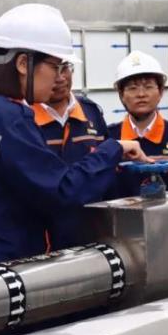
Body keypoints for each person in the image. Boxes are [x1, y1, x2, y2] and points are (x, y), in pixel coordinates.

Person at [0, 4, 149, 272]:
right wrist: (112, 148)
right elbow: (62, 191)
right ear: (23, 64)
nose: (59, 77)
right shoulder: (6, 118)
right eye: (55, 66)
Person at [32, 59, 110, 249]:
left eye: (65, 68)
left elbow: (108, 174)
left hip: (92, 235)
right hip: (42, 241)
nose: (60, 78)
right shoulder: (24, 118)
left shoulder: (91, 112)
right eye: (53, 69)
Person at [107, 51, 168, 197]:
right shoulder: (109, 139)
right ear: (121, 95)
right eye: (132, 88)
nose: (141, 94)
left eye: (148, 87)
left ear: (161, 91)